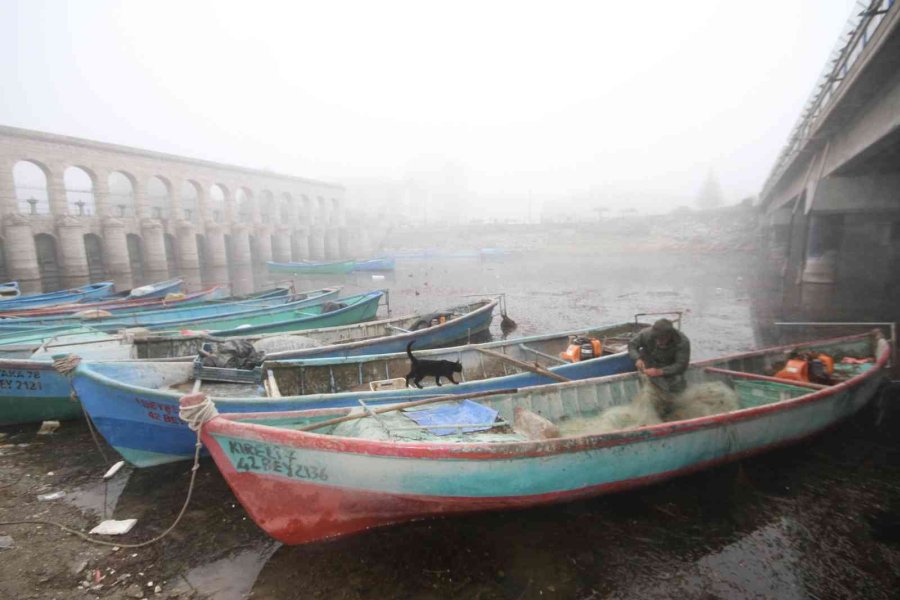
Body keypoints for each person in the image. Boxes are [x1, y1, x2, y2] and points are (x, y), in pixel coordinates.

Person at [627, 318, 691, 395]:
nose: (658, 342)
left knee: (677, 387)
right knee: (646, 387)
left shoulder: (682, 342)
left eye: (662, 339)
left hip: (669, 367)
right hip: (648, 363)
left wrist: (660, 372)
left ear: (670, 336)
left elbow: (681, 365)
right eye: (656, 338)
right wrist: (637, 359)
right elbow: (632, 345)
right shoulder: (646, 334)